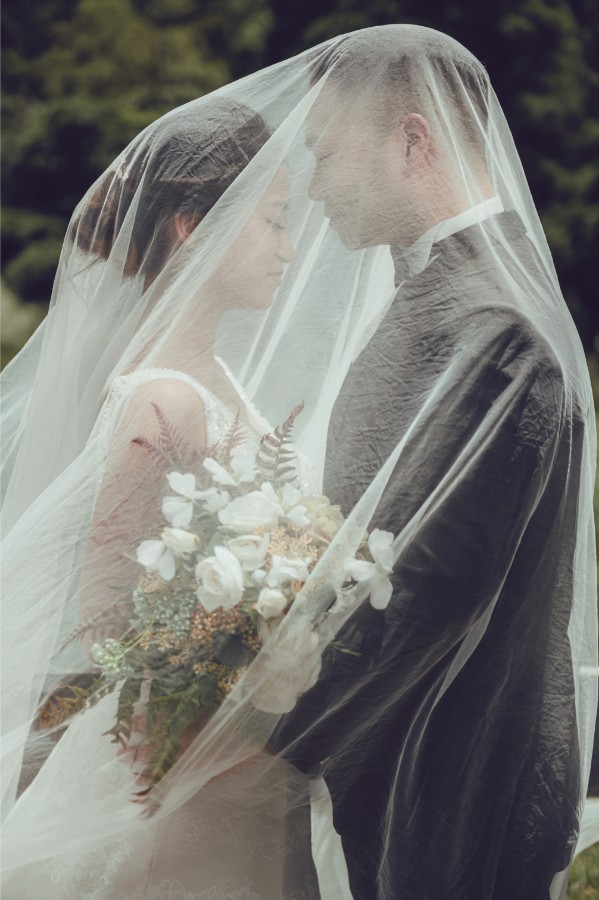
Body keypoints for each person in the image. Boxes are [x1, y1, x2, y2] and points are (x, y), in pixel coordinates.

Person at [0, 25, 595, 900]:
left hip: (452, 790)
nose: (312, 190)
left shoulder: (488, 329)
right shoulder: (438, 304)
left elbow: (427, 592)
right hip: (306, 777)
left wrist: (248, 730)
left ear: (411, 141)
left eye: (324, 154)